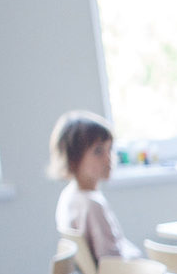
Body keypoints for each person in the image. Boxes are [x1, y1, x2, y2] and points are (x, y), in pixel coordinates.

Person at [48, 110, 141, 262]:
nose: (108, 158)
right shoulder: (91, 204)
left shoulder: (69, 196)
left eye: (109, 149)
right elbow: (112, 261)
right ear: (73, 158)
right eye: (98, 151)